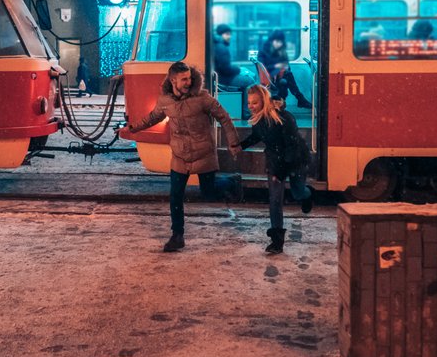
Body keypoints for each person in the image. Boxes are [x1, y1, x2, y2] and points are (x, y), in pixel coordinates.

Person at [126, 62, 242, 252]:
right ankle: (177, 236)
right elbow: (152, 117)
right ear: (173, 80)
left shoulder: (202, 98)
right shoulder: (165, 100)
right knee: (176, 196)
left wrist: (233, 142)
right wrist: (131, 128)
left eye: (190, 78)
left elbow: (224, 117)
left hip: (203, 152)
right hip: (180, 155)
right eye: (184, 79)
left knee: (208, 193)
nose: (189, 82)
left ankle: (232, 182)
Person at [239, 83, 313, 255]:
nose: (251, 106)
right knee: (275, 200)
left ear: (264, 102)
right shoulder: (258, 120)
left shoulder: (284, 118)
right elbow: (257, 136)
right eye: (249, 102)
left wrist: (279, 173)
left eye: (254, 103)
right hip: (275, 160)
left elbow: (291, 148)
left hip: (295, 160)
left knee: (297, 192)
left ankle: (308, 194)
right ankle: (277, 241)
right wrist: (240, 146)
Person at [258, 30, 311, 109]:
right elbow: (265, 67)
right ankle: (299, 98)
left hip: (277, 75)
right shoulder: (264, 51)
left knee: (286, 77)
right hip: (269, 77)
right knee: (286, 77)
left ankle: (298, 99)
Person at [213, 24, 254, 89]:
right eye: (227, 34)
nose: (229, 36)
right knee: (250, 80)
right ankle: (246, 99)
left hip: (218, 77)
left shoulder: (215, 45)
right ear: (220, 35)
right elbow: (226, 69)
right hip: (223, 79)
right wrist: (238, 69)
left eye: (230, 34)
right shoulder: (221, 48)